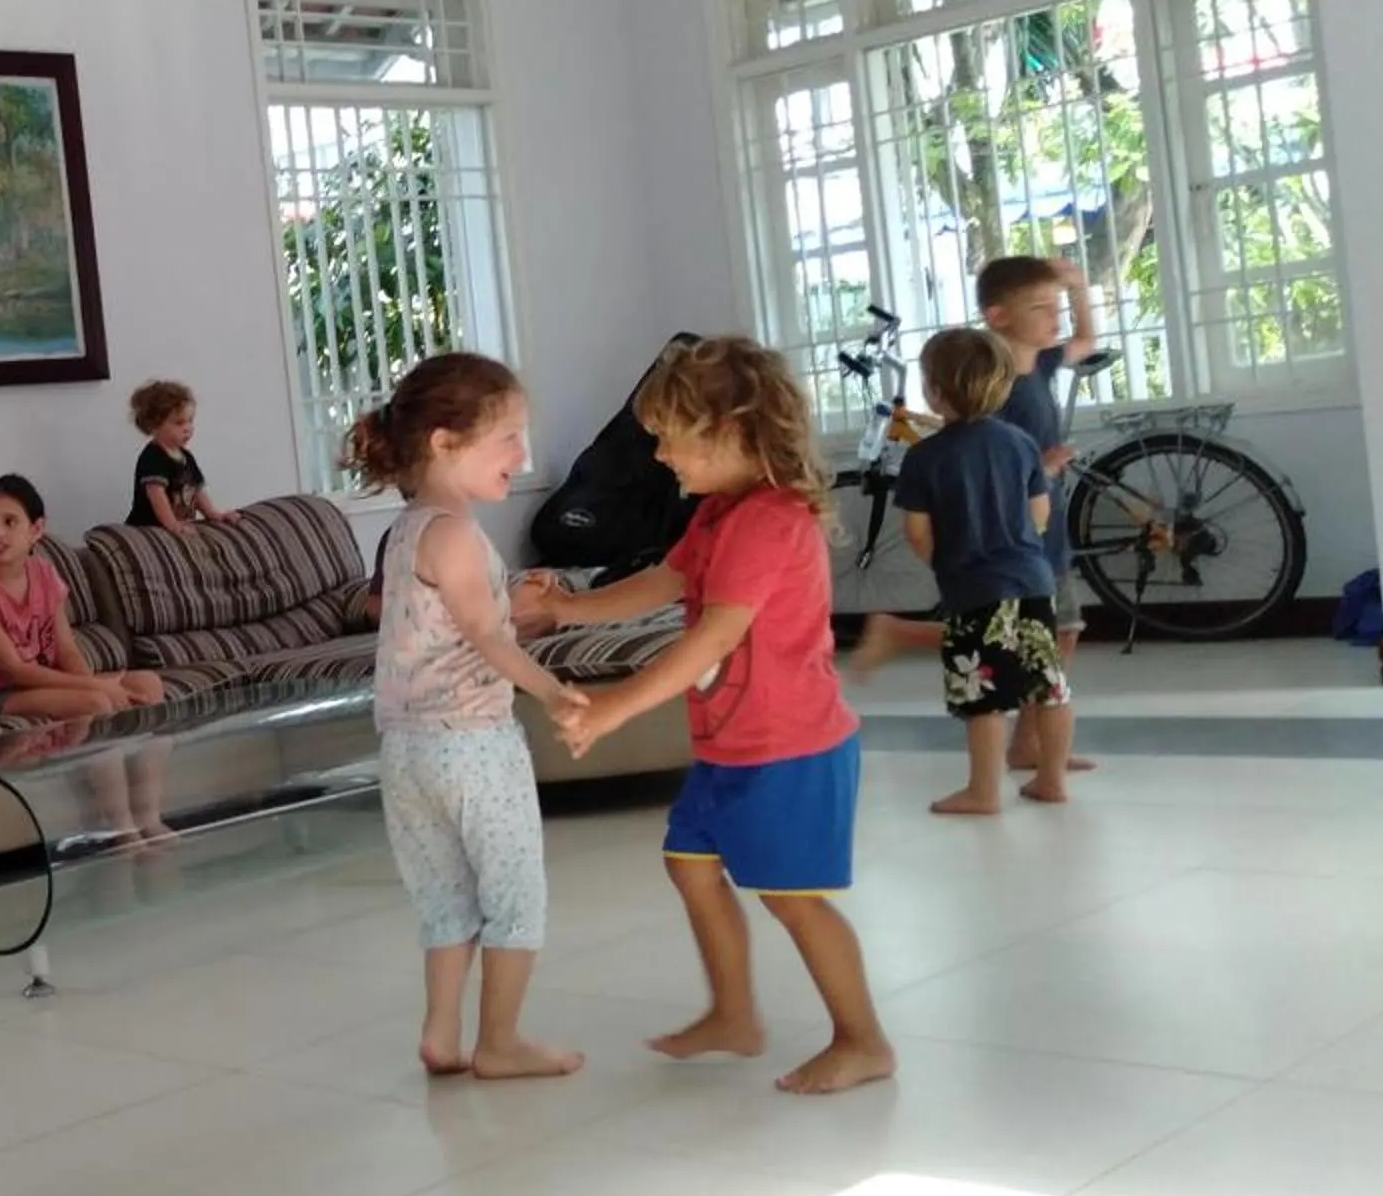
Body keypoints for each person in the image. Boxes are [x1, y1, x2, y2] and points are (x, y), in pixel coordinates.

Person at [525, 337, 893, 1096]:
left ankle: (863, 1040)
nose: (659, 456)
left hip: (790, 748)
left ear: (735, 431)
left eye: (670, 437)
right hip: (733, 745)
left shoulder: (768, 521)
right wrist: (567, 610)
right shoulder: (722, 512)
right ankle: (733, 1013)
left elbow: (714, 635)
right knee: (689, 865)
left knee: (793, 900)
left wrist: (616, 705)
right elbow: (664, 580)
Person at [346, 354, 586, 1082]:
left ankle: (442, 1034)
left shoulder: (410, 530)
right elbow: (484, 637)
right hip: (475, 747)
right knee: (515, 897)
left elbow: (460, 622)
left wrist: (522, 604)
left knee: (446, 900)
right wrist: (551, 692)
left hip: (407, 753)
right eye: (507, 437)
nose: (523, 455)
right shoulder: (457, 534)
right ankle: (501, 1041)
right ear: (445, 443)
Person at [853, 255, 1097, 775]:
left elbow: (1085, 341)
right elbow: (989, 477)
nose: (1055, 317)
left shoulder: (1044, 363)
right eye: (1042, 307)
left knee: (1057, 632)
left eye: (1056, 307)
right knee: (1008, 632)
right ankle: (902, 635)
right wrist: (1043, 470)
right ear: (998, 316)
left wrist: (1078, 289)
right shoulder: (991, 387)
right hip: (1014, 538)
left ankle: (1031, 742)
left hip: (1041, 536)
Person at [898, 327, 1072, 815]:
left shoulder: (923, 457)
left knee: (984, 696)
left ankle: (983, 791)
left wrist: (941, 560)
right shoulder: (1019, 443)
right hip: (1034, 582)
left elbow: (916, 532)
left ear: (933, 390)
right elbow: (1040, 513)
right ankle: (1052, 779)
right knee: (1050, 686)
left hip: (973, 590)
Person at [0, 474, 169, 843]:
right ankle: (121, 829)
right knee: (96, 701)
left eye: (9, 522)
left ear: (36, 530)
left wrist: (100, 685)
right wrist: (97, 688)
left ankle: (150, 818)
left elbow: (65, 650)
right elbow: (12, 669)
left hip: (42, 679)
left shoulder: (44, 573)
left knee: (148, 684)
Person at [126, 380, 230, 531]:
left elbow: (197, 489)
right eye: (179, 423)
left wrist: (212, 513)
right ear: (153, 425)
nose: (188, 428)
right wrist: (172, 523)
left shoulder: (186, 456)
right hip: (149, 528)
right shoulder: (153, 457)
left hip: (179, 523)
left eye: (190, 421)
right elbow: (156, 495)